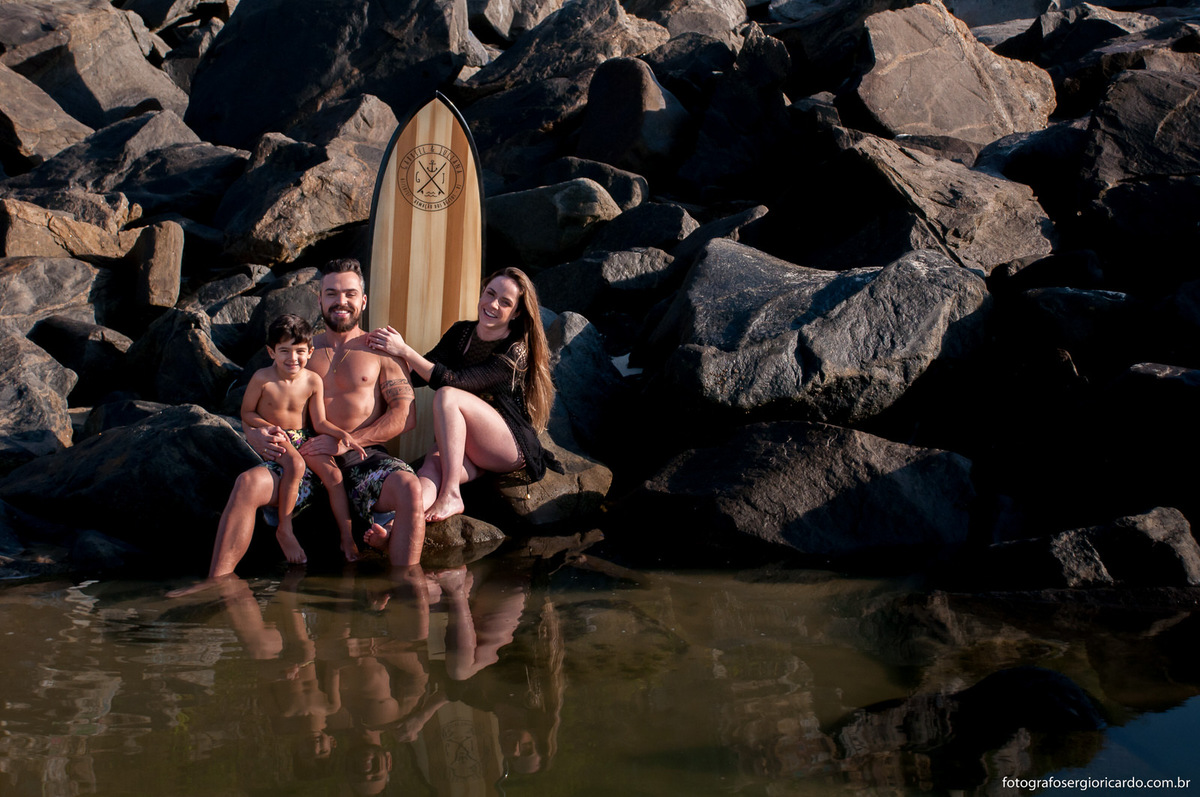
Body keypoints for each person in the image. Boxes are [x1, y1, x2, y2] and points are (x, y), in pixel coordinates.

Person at [169, 258, 425, 596]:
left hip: (361, 458)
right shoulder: (298, 350)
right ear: (319, 300)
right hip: (301, 455)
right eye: (331, 293)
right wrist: (257, 436)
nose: (341, 301)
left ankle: (406, 589)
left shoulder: (382, 351)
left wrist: (347, 443)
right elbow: (259, 406)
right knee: (248, 483)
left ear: (363, 300)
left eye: (350, 293)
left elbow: (405, 417)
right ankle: (216, 583)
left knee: (409, 488)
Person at [364, 267, 562, 527]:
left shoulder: (515, 351)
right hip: (466, 444)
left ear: (516, 313)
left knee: (449, 395)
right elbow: (425, 371)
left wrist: (405, 350)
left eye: (505, 302)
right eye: (490, 294)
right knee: (430, 469)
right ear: (481, 293)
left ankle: (452, 495)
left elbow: (455, 382)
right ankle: (394, 525)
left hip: (507, 445)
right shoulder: (462, 332)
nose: (492, 304)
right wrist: (375, 378)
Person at [242, 313, 366, 564]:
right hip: (278, 437)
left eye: (299, 351)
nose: (292, 358)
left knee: (334, 475)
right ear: (271, 352)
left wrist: (342, 434)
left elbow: (319, 422)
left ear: (310, 352)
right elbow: (247, 412)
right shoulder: (262, 378)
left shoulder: (312, 380)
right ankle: (284, 529)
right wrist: (266, 427)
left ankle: (346, 535)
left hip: (303, 436)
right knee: (295, 465)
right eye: (284, 351)